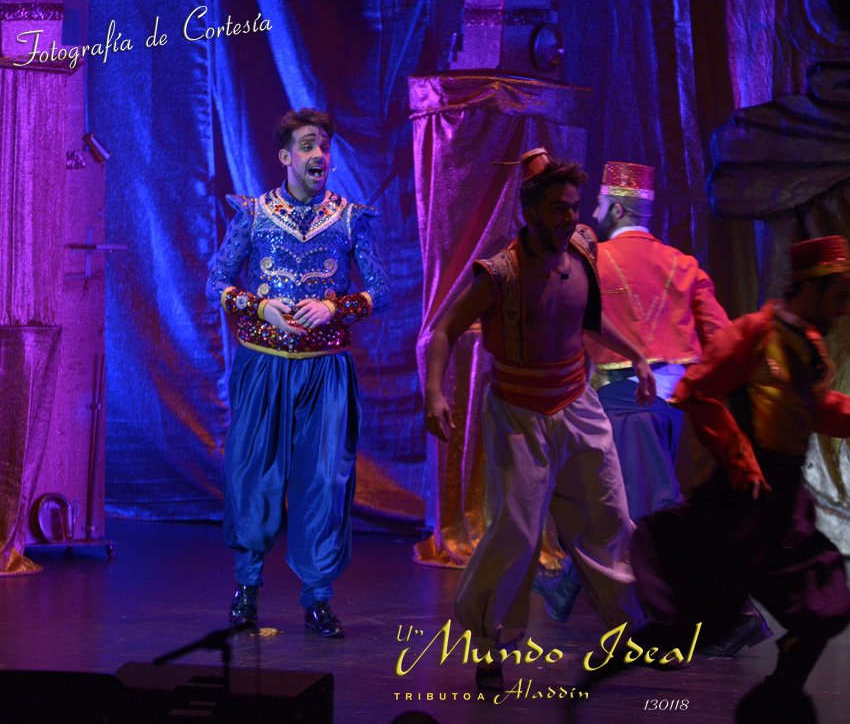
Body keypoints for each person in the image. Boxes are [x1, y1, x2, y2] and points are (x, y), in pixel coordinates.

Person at [629, 235, 850, 691]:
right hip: (740, 505)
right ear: (810, 288)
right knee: (693, 623)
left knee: (826, 606)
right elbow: (694, 390)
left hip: (782, 504)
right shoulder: (755, 334)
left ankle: (778, 698)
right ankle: (588, 680)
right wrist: (738, 454)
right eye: (840, 297)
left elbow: (819, 410)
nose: (845, 310)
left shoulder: (806, 345)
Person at [423, 149, 656, 690]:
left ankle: (631, 630)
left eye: (573, 206)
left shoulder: (583, 250)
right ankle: (489, 646)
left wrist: (637, 355)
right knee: (517, 532)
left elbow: (588, 320)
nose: (569, 216)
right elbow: (443, 331)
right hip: (520, 414)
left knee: (608, 517)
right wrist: (434, 393)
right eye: (557, 208)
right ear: (529, 212)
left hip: (577, 403)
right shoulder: (500, 272)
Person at [534, 161, 770, 657]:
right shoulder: (683, 265)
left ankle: (736, 616)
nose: (594, 213)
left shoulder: (592, 261)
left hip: (622, 403)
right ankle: (565, 585)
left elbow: (563, 324)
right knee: (604, 501)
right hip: (669, 405)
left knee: (652, 512)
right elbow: (723, 340)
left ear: (618, 209)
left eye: (600, 204)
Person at [206, 108, 391, 638]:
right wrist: (259, 307)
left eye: (325, 146)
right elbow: (216, 282)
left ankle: (317, 596)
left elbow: (380, 290)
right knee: (253, 475)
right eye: (309, 145)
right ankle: (247, 586)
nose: (319, 155)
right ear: (285, 156)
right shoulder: (255, 215)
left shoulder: (349, 219)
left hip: (325, 372)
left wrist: (335, 308)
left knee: (323, 481)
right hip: (263, 367)